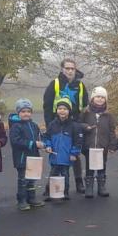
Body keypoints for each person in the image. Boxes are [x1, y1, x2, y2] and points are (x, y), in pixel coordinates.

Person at [42, 58, 88, 194]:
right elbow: (47, 106)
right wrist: (50, 125)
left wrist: (81, 124)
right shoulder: (54, 84)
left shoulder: (80, 85)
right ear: (62, 69)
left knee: (75, 154)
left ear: (75, 69)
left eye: (72, 68)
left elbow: (84, 105)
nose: (69, 71)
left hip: (75, 124)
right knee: (56, 154)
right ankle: (50, 186)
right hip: (58, 124)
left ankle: (79, 182)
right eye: (67, 68)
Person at [80, 87, 117, 198]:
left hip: (102, 146)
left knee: (102, 166)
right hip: (89, 145)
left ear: (105, 100)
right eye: (98, 97)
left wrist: (112, 145)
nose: (100, 99)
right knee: (89, 167)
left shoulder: (108, 115)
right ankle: (89, 187)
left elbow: (112, 130)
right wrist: (85, 127)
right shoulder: (86, 113)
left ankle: (101, 186)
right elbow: (78, 125)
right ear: (92, 99)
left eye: (102, 97)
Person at [8, 98, 45, 211]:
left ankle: (32, 198)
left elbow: (40, 137)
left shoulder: (34, 125)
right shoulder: (16, 126)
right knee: (23, 179)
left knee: (32, 179)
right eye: (23, 111)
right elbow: (16, 141)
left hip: (34, 157)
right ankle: (21, 200)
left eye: (28, 111)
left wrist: (44, 144)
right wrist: (33, 143)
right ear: (18, 113)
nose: (26, 114)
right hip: (22, 158)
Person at [43, 98, 82, 202]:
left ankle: (65, 192)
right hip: (54, 156)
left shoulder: (74, 126)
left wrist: (74, 153)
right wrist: (48, 146)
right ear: (57, 110)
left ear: (69, 111)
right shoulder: (52, 124)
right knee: (53, 174)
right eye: (60, 108)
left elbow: (78, 141)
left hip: (66, 156)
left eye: (65, 108)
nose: (62, 111)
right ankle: (49, 192)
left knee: (65, 174)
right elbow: (46, 137)